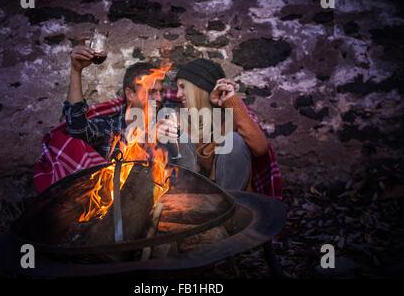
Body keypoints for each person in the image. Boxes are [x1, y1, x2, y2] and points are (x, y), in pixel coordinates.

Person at [33, 43, 178, 193]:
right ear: (130, 94)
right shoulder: (110, 127)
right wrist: (76, 71)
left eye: (160, 92)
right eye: (152, 92)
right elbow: (77, 130)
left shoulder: (167, 122)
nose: (159, 98)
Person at [175, 58, 282, 198]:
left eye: (183, 87)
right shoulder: (181, 118)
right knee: (175, 138)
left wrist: (230, 100)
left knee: (234, 141)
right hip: (195, 197)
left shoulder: (233, 113)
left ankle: (230, 212)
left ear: (200, 89)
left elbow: (261, 148)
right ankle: (184, 208)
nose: (178, 94)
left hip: (231, 197)